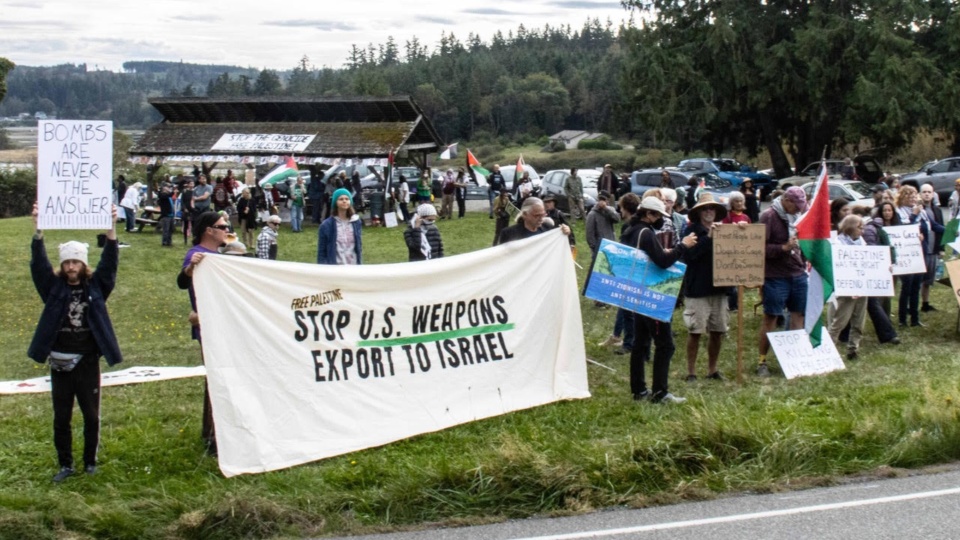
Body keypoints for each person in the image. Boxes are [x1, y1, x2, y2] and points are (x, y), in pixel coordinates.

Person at [29, 202, 122, 483]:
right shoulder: (53, 287)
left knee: (91, 416)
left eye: (76, 262)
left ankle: (89, 462)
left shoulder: (96, 287)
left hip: (88, 359)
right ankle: (66, 464)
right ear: (62, 265)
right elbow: (39, 266)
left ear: (83, 264)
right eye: (67, 262)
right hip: (60, 360)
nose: (71, 267)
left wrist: (111, 229)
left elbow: (109, 264)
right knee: (62, 417)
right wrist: (38, 230)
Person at [620, 196, 697, 403]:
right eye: (658, 215)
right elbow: (662, 262)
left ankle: (639, 391)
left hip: (635, 293)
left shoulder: (630, 230)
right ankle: (660, 392)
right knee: (665, 345)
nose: (660, 219)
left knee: (640, 343)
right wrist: (683, 246)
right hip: (650, 294)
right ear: (648, 214)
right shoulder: (645, 233)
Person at [177, 211, 231, 456]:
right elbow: (184, 278)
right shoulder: (198, 256)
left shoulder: (218, 256)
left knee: (218, 378)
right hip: (209, 327)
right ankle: (212, 437)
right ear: (208, 230)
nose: (226, 229)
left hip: (222, 324)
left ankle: (212, 431)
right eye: (222, 226)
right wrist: (190, 268)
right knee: (217, 379)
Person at [681, 193, 734, 382]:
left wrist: (742, 233)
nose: (709, 211)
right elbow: (689, 256)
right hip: (697, 290)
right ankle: (691, 372)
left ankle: (712, 369)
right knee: (695, 331)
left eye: (712, 208)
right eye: (705, 208)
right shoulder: (691, 232)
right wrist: (709, 238)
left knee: (718, 331)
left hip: (720, 289)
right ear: (698, 212)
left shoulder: (724, 230)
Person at [757, 186, 808, 377]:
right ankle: (762, 361)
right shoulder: (769, 216)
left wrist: (803, 262)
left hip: (797, 273)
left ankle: (793, 358)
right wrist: (783, 248)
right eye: (796, 205)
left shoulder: (798, 218)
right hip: (775, 275)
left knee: (798, 315)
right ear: (786, 200)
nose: (799, 209)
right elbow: (759, 247)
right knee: (771, 317)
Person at [826, 214, 872, 360]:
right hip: (846, 290)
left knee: (859, 321)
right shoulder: (837, 244)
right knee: (839, 321)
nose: (862, 231)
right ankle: (828, 350)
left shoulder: (861, 243)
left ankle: (853, 349)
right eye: (859, 227)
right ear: (850, 227)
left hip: (861, 288)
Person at [600, 192, 640, 355]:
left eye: (621, 208)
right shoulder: (638, 225)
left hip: (629, 272)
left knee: (628, 310)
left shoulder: (629, 227)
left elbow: (625, 251)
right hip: (634, 273)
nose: (620, 212)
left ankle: (629, 343)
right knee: (624, 305)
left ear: (625, 208)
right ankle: (618, 335)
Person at [861, 210, 900, 345]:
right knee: (849, 306)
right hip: (855, 274)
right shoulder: (874, 228)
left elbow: (873, 251)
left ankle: (887, 334)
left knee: (870, 303)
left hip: (863, 273)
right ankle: (843, 334)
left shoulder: (868, 231)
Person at [895, 185, 928, 327]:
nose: (913, 198)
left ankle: (915, 318)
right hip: (906, 253)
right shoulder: (899, 212)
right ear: (902, 197)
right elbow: (904, 229)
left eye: (915, 195)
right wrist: (914, 214)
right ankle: (902, 318)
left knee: (916, 286)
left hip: (920, 252)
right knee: (907, 287)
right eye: (909, 196)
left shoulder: (922, 211)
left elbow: (929, 226)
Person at [318, 188, 362, 265]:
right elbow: (322, 251)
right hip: (335, 268)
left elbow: (358, 246)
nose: (344, 201)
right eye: (341, 199)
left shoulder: (356, 222)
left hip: (353, 266)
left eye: (347, 199)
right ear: (335, 202)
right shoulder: (326, 225)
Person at [498, 197, 571, 244]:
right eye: (537, 215)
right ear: (525, 215)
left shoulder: (548, 228)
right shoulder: (508, 234)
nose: (541, 218)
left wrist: (565, 232)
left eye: (543, 215)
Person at [919, 183, 945, 312]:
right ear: (920, 194)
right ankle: (911, 305)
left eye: (929, 192)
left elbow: (941, 230)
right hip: (921, 251)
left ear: (933, 194)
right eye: (924, 192)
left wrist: (942, 248)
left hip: (933, 249)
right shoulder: (917, 210)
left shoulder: (937, 210)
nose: (927, 194)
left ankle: (925, 303)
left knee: (929, 279)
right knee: (918, 280)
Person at [157, 182, 175, 247]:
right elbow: (167, 195)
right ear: (164, 187)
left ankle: (169, 242)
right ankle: (164, 242)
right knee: (166, 230)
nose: (169, 188)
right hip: (166, 215)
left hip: (171, 215)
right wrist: (173, 191)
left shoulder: (168, 196)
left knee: (171, 229)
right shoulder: (162, 195)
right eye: (167, 187)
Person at [180, 178, 195, 244]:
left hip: (193, 210)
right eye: (190, 184)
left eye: (193, 184)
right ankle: (185, 239)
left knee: (193, 225)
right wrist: (184, 208)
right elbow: (182, 201)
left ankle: (194, 238)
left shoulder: (194, 192)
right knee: (186, 225)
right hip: (186, 210)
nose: (192, 185)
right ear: (188, 185)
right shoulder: (185, 191)